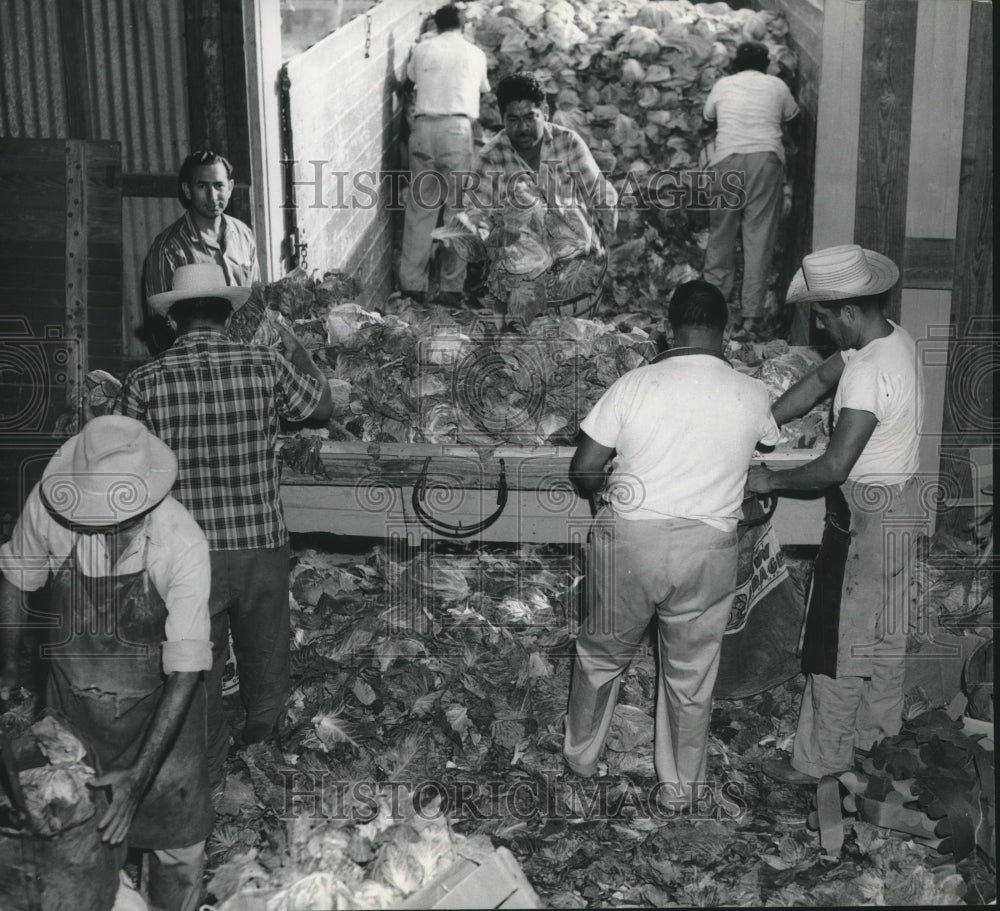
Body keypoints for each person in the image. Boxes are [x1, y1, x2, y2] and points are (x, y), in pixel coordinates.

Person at [116, 263, 333, 795]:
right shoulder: (263, 362)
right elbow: (321, 404)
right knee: (266, 658)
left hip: (188, 556)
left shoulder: (145, 381)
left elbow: (125, 472)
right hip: (260, 542)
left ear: (174, 322)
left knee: (198, 668)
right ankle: (268, 760)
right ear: (229, 316)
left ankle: (207, 781)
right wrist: (289, 342)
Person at [564, 280, 779, 809]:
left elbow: (584, 467)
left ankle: (580, 764)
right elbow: (769, 443)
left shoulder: (634, 384)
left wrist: (607, 491)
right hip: (708, 549)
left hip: (631, 542)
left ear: (670, 327)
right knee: (690, 676)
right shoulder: (752, 393)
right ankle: (680, 791)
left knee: (600, 658)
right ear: (724, 332)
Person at [0, 416, 213, 911]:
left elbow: (185, 666)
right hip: (75, 712)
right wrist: (7, 670)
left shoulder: (182, 542)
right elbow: (16, 573)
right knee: (79, 845)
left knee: (178, 850)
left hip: (161, 712)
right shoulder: (51, 509)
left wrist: (139, 776)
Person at [747, 245, 924, 783]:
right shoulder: (892, 337)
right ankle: (877, 742)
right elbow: (823, 378)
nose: (820, 326)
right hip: (905, 505)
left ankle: (820, 761)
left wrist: (768, 477)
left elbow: (833, 466)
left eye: (823, 316)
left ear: (848, 312)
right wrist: (764, 420)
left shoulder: (870, 373)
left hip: (868, 515)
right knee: (884, 633)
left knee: (839, 641)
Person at [455, 72, 619, 323]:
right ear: (502, 118)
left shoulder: (567, 143)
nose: (523, 128)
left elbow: (599, 190)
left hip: (574, 265)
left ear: (545, 111)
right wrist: (479, 232)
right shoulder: (491, 156)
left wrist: (605, 223)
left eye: (530, 118)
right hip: (520, 273)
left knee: (575, 337)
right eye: (514, 119)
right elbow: (475, 212)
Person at [702, 41, 799, 339]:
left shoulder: (722, 84)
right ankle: (751, 321)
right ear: (766, 62)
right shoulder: (778, 85)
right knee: (758, 238)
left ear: (735, 63)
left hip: (727, 161)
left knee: (721, 236)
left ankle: (711, 314)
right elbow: (793, 119)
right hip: (765, 161)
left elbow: (708, 119)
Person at [399, 4, 489, 304]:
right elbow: (483, 90)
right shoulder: (476, 54)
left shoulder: (423, 49)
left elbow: (407, 80)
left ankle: (413, 286)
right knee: (456, 211)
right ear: (463, 27)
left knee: (420, 209)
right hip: (457, 131)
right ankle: (451, 288)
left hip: (423, 131)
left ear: (436, 25)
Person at [143, 150, 271, 351]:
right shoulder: (167, 249)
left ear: (229, 187)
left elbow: (256, 302)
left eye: (219, 186)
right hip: (193, 362)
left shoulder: (243, 234)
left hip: (244, 357)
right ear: (187, 190)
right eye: (202, 186)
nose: (212, 196)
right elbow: (158, 324)